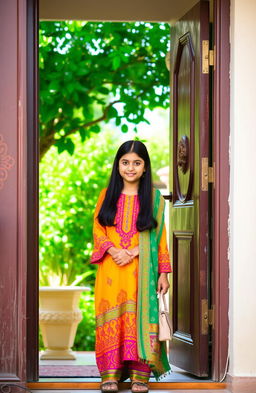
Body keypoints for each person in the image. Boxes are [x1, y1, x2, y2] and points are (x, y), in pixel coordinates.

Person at [90, 140, 172, 393]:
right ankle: (110, 376)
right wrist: (114, 251)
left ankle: (140, 377)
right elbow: (97, 229)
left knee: (137, 320)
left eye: (136, 163)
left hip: (141, 272)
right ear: (118, 165)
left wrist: (163, 273)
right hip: (111, 270)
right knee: (111, 320)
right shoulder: (106, 195)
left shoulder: (155, 199)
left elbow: (160, 238)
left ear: (145, 167)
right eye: (125, 162)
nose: (130, 167)